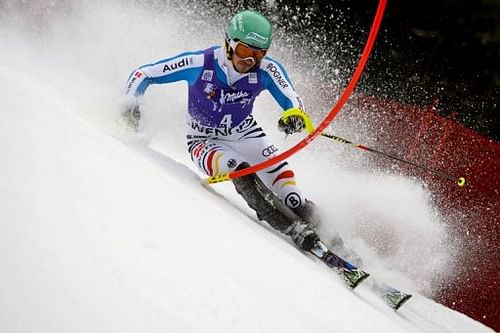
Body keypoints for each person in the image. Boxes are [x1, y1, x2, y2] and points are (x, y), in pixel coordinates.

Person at [121, 10, 327, 255]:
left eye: (258, 54)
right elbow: (143, 74)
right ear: (228, 42)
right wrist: (129, 106)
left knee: (293, 198)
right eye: (243, 51)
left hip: (246, 133)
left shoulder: (267, 70)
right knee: (240, 172)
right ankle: (295, 231)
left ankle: (335, 239)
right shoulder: (200, 63)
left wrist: (294, 115)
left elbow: (293, 99)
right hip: (204, 140)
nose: (249, 61)